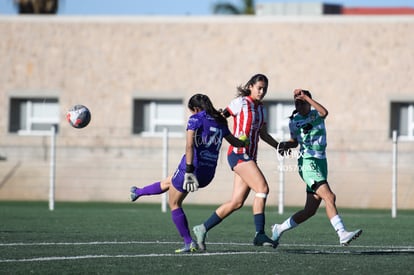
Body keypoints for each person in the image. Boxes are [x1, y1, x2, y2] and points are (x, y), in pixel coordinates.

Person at [129, 93, 249, 253]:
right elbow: (234, 141)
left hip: (193, 167)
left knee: (174, 203)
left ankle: (188, 242)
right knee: (170, 181)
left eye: (192, 110)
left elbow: (189, 146)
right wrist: (244, 142)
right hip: (208, 173)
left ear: (196, 108)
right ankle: (138, 192)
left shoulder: (196, 119)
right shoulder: (220, 120)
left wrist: (189, 171)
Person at [192, 74, 280, 251]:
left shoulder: (261, 109)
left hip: (250, 158)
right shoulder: (241, 102)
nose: (262, 92)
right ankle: (259, 234)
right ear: (250, 87)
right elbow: (221, 117)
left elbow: (262, 134)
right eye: (259, 88)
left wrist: (278, 146)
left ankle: (202, 228)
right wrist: (206, 133)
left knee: (237, 202)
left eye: (265, 89)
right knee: (262, 189)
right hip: (238, 154)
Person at [271, 89, 362, 246]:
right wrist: (285, 144)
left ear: (309, 102)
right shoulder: (294, 121)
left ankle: (278, 229)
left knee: (309, 211)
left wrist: (306, 97)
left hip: (321, 162)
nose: (299, 105)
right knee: (330, 197)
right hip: (307, 163)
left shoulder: (315, 114)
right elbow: (295, 142)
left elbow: (324, 111)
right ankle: (342, 233)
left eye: (302, 102)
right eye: (297, 103)